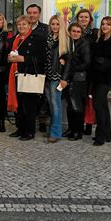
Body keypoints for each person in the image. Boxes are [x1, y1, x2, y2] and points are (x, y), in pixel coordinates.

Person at [7, 15, 45, 141]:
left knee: (29, 106)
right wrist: (9, 58)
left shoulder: (37, 38)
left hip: (29, 75)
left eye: (24, 24)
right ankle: (20, 128)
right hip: (15, 75)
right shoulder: (15, 39)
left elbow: (42, 58)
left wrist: (24, 59)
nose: (21, 26)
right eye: (19, 24)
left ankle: (29, 131)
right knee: (18, 104)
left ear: (30, 25)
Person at [91, 16, 111, 146]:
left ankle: (100, 136)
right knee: (102, 105)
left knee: (98, 105)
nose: (104, 26)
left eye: (108, 24)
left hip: (106, 76)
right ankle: (107, 134)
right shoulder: (99, 39)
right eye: (103, 24)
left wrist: (102, 63)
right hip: (96, 76)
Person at [44, 15, 69, 143]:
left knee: (56, 105)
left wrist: (64, 78)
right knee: (51, 105)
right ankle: (52, 130)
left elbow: (69, 62)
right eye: (53, 24)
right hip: (46, 76)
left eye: (57, 24)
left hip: (57, 77)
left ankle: (55, 133)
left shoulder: (65, 40)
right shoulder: (48, 38)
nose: (55, 26)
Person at [63, 22, 91, 141]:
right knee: (70, 105)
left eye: (78, 31)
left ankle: (78, 131)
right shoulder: (69, 43)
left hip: (79, 79)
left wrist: (73, 68)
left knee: (77, 106)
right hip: (70, 78)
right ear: (69, 32)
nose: (75, 33)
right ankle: (71, 128)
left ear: (81, 33)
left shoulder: (83, 44)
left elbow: (86, 62)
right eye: (73, 31)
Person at [25, 4, 50, 133]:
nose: (32, 15)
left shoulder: (46, 29)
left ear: (39, 14)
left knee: (42, 96)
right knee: (29, 97)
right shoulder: (23, 28)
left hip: (41, 67)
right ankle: (30, 122)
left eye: (34, 13)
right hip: (26, 69)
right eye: (29, 12)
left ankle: (42, 121)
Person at [76, 8, 98, 136]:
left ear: (90, 20)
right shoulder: (74, 32)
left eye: (86, 17)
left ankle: (88, 125)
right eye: (81, 17)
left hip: (90, 71)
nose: (83, 19)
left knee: (88, 99)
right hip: (77, 71)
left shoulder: (95, 33)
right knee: (78, 100)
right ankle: (78, 126)